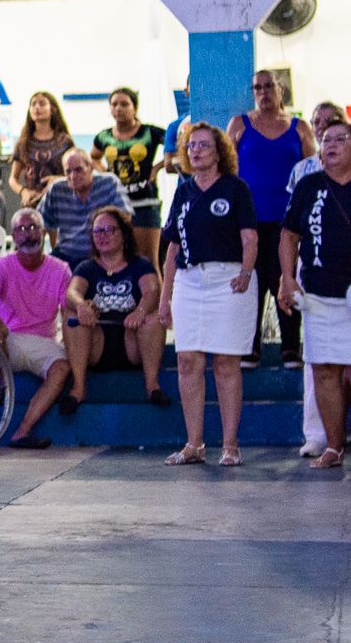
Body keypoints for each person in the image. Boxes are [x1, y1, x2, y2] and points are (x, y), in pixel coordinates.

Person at [161, 123, 258, 467]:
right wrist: (165, 296)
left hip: (228, 279)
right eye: (191, 146)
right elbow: (173, 246)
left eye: (204, 145)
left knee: (226, 363)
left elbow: (250, 237)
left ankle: (230, 445)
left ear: (219, 152)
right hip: (189, 281)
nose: (196, 151)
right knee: (188, 360)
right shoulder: (184, 192)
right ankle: (194, 444)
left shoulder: (235, 188)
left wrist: (246, 271)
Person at [229, 70, 314, 368]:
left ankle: (290, 347)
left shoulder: (299, 127)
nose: (263, 92)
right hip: (249, 221)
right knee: (251, 280)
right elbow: (228, 170)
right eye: (257, 88)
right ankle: (249, 347)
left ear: (281, 90)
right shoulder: (239, 124)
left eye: (268, 86)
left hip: (288, 223)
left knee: (285, 278)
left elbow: (312, 172)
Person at [280, 120, 351, 468]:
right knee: (323, 370)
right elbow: (289, 235)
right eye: (326, 140)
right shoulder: (308, 186)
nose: (331, 145)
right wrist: (287, 278)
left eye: (340, 139)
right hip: (319, 293)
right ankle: (333, 447)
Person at [0, 209, 73, 448]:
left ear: (44, 233)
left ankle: (23, 431)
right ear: (13, 236)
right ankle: (4, 384)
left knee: (62, 367)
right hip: (7, 340)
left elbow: (68, 312)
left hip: (44, 343)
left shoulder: (61, 269)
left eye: (32, 228)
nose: (27, 234)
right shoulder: (1, 265)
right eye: (21, 229)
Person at [66, 206, 169, 408]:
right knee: (72, 313)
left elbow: (151, 292)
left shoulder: (141, 265)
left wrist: (140, 311)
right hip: (97, 343)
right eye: (97, 231)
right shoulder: (86, 267)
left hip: (132, 341)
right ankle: (78, 388)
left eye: (109, 230)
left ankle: (152, 387)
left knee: (154, 316)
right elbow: (72, 293)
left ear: (124, 234)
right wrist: (81, 306)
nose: (102, 236)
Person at [91, 88, 167, 261]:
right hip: (115, 204)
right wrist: (106, 174)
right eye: (114, 104)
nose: (119, 108)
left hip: (145, 202)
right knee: (117, 259)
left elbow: (178, 146)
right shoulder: (104, 136)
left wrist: (157, 168)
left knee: (148, 260)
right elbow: (93, 157)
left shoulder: (150, 132)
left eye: (124, 104)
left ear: (135, 108)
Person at [38, 148, 132, 269]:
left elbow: (125, 218)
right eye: (68, 171)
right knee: (43, 270)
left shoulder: (109, 183)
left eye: (78, 170)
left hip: (99, 256)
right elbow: (39, 223)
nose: (73, 176)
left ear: (91, 167)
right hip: (65, 254)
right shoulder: (57, 189)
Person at [10, 91, 72, 208]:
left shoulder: (64, 142)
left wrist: (58, 179)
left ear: (53, 109)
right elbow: (13, 178)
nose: (37, 108)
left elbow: (75, 173)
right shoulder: (23, 144)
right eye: (33, 104)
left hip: (60, 202)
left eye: (42, 104)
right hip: (32, 203)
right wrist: (24, 192)